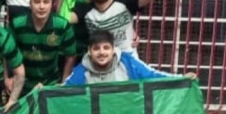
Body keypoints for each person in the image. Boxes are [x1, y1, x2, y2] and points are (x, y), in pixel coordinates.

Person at [69, 0, 156, 57]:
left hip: (127, 62)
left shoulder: (126, 2)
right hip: (99, 63)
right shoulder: (85, 9)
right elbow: (65, 18)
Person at [64, 30, 194, 85]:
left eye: (106, 48)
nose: (101, 52)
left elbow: (153, 76)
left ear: (114, 49)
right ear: (89, 51)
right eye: (96, 48)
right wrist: (44, 91)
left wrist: (182, 79)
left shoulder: (128, 63)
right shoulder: (81, 71)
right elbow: (62, 91)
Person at [10, 0, 77, 94]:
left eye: (46, 2)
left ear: (52, 4)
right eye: (37, 2)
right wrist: (8, 77)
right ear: (30, 4)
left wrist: (64, 83)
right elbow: (8, 54)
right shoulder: (17, 24)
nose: (41, 6)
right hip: (23, 84)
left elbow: (70, 56)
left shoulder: (62, 25)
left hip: (52, 83)